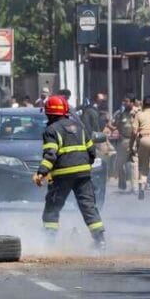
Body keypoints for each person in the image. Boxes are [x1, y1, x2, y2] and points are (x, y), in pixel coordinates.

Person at [32, 95, 106, 249]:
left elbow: (50, 154)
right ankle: (100, 240)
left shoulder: (51, 130)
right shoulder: (80, 127)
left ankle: (49, 241)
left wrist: (41, 172)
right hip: (83, 174)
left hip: (62, 176)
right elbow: (91, 151)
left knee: (53, 206)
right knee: (88, 206)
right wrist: (85, 166)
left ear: (48, 113)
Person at [132, 95, 150, 200]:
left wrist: (132, 144)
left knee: (143, 166)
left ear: (143, 104)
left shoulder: (139, 114)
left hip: (144, 140)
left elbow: (134, 131)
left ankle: (142, 185)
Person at [112, 93, 138, 193]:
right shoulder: (121, 113)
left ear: (132, 102)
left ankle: (134, 186)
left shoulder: (137, 113)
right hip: (123, 141)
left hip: (134, 141)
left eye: (126, 101)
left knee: (133, 164)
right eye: (124, 101)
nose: (124, 103)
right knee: (119, 164)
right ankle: (122, 183)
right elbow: (114, 124)